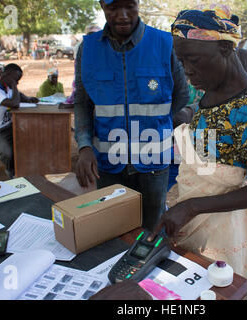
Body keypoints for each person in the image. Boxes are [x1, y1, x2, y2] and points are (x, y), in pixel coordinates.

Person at [149, 5, 247, 298]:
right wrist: (187, 117)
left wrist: (192, 206)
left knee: (216, 286)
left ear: (224, 48)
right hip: (196, 217)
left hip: (221, 229)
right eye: (181, 61)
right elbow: (213, 141)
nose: (187, 70)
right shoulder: (211, 88)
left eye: (193, 60)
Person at [74, 0, 190, 230]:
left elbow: (181, 96)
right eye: (113, 8)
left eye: (129, 6)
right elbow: (82, 104)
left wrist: (157, 123)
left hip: (154, 162)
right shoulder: (88, 49)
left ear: (138, 3)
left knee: (152, 229)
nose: (123, 15)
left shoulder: (164, 43)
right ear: (102, 6)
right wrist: (85, 147)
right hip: (108, 164)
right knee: (112, 229)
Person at [0, 63, 39, 178]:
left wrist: (28, 99)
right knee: (7, 152)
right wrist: (14, 85)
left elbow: (18, 96)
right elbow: (14, 103)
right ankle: (11, 172)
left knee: (30, 139)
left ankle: (24, 168)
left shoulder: (6, 85)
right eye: (16, 79)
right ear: (6, 74)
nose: (17, 83)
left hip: (9, 125)